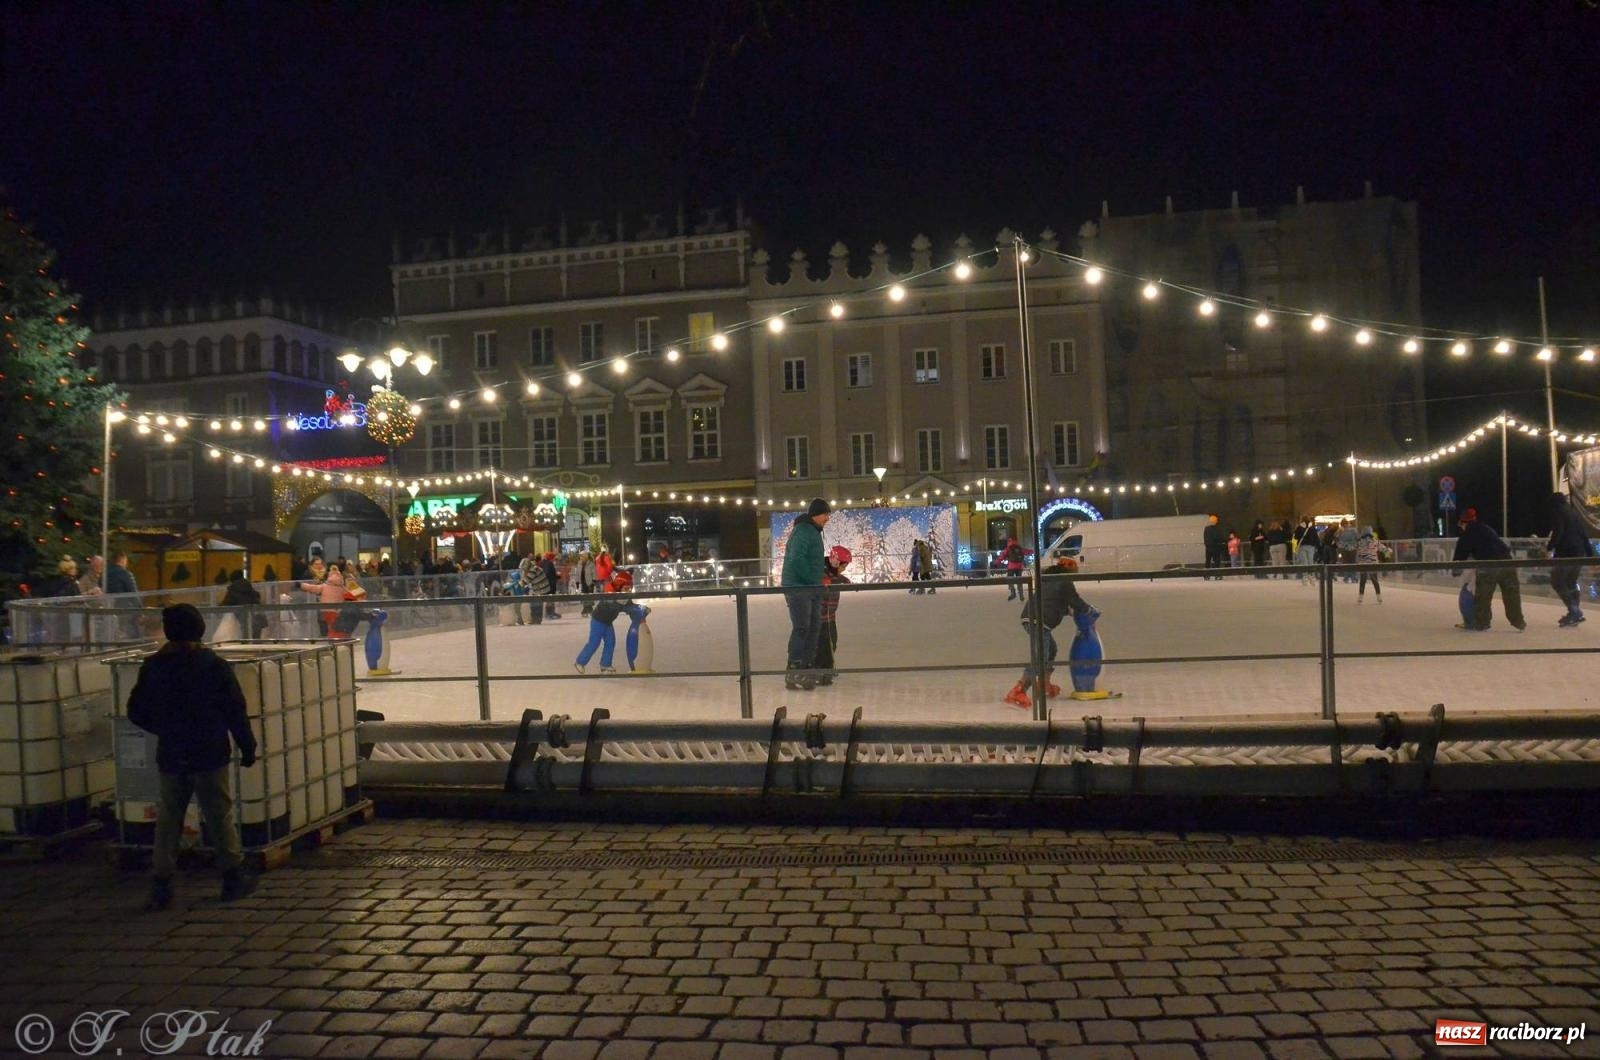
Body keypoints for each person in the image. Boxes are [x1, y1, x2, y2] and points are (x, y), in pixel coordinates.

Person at [127, 604, 259, 910]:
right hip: (209, 749)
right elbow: (234, 710)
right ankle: (231, 876)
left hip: (172, 752)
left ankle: (162, 883)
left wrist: (163, 728)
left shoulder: (153, 666)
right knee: (218, 814)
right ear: (199, 630)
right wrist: (247, 745)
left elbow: (136, 711)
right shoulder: (212, 665)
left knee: (170, 818)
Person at [1004, 554, 1097, 709]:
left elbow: (1052, 601)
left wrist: (1068, 610)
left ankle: (1043, 683)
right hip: (1040, 621)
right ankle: (1018, 690)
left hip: (1032, 618)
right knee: (1041, 656)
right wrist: (1089, 610)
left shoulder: (1049, 580)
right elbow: (1074, 600)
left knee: (1050, 650)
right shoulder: (1064, 581)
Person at [781, 498, 831, 690]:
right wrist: (813, 579)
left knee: (814, 627)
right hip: (799, 587)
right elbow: (796, 559)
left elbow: (811, 559)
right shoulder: (803, 531)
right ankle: (794, 668)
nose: (827, 518)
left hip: (811, 586)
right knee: (802, 627)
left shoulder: (814, 532)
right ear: (816, 514)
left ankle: (806, 666)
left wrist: (821, 577)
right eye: (826, 514)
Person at [1452, 507, 1525, 631]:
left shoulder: (1467, 534)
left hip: (1488, 566)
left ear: (1464, 523)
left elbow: (1460, 555)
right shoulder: (1487, 529)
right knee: (1512, 595)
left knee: (1483, 596)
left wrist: (1455, 570)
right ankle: (1518, 621)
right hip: (1508, 564)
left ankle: (1482, 622)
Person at [573, 569, 649, 674]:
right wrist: (632, 609)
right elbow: (619, 607)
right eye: (626, 588)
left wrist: (641, 609)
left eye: (630, 588)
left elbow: (630, 607)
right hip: (598, 621)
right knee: (594, 643)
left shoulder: (624, 597)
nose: (628, 591)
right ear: (619, 586)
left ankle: (605, 665)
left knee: (610, 642)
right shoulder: (610, 595)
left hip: (608, 622)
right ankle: (580, 662)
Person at [1547, 491, 1591, 627]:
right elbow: (1584, 533)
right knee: (1571, 582)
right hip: (1579, 553)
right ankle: (1574, 613)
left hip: (1566, 553)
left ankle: (1574, 611)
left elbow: (1558, 531)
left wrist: (1550, 548)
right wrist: (1590, 554)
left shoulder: (1559, 512)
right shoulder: (1573, 513)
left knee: (1557, 580)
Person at [813, 545, 852, 686]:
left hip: (830, 616)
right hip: (819, 616)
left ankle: (827, 668)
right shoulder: (820, 571)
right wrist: (837, 580)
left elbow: (835, 578)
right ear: (836, 562)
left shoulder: (834, 574)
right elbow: (823, 580)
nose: (844, 570)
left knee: (831, 642)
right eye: (843, 566)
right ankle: (818, 671)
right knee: (821, 644)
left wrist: (843, 579)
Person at [298, 557, 347, 638]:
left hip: (324, 601)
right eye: (316, 564)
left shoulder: (326, 575)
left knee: (326, 621)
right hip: (314, 599)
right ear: (311, 565)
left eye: (320, 563)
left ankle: (326, 636)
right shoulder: (308, 573)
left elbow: (314, 587)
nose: (319, 566)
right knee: (328, 622)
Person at [222, 569, 264, 638]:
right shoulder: (248, 586)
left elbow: (226, 604)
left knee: (245, 639)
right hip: (256, 620)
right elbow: (257, 596)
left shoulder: (233, 589)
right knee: (255, 640)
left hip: (242, 620)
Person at [517, 551, 548, 625]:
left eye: (524, 569)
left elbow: (526, 580)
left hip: (540, 588)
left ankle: (536, 619)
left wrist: (518, 585)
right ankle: (536, 619)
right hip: (539, 587)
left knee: (536, 604)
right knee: (536, 603)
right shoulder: (534, 568)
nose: (524, 570)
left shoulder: (533, 569)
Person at [1355, 527, 1383, 604]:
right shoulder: (1375, 541)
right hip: (1373, 563)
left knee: (1363, 580)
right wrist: (1389, 550)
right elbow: (1382, 548)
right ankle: (1379, 597)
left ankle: (1360, 598)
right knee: (1375, 580)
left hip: (1363, 563)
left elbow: (1357, 550)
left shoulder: (1360, 542)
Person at [1002, 536, 1027, 600]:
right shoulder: (1019, 547)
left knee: (1009, 579)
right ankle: (1021, 595)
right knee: (1019, 581)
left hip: (1011, 567)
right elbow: (1025, 553)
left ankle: (1013, 593)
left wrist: (996, 563)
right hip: (1019, 567)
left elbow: (1003, 555)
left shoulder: (1009, 547)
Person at [540, 552, 562, 619]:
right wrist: (556, 575)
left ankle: (551, 612)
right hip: (550, 584)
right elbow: (548, 573)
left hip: (548, 584)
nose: (554, 560)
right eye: (553, 558)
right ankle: (549, 613)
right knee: (550, 599)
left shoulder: (544, 563)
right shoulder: (548, 563)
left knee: (550, 599)